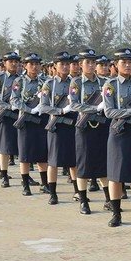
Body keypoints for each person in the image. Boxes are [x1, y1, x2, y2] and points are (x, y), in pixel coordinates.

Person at [104, 48, 131, 227]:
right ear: (116, 65)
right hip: (119, 133)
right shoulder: (111, 85)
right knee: (116, 175)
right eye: (124, 62)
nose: (129, 65)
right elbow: (109, 111)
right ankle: (116, 213)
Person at [69, 48, 110, 215]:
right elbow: (74, 104)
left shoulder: (105, 82)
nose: (92, 65)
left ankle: (109, 199)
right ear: (81, 64)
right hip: (84, 128)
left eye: (94, 62)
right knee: (84, 164)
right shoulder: (76, 83)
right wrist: (94, 108)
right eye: (88, 62)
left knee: (103, 164)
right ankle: (83, 200)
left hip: (102, 127)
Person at [38, 52, 77, 205]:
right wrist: (60, 111)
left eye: (68, 64)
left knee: (73, 161)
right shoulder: (49, 84)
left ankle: (78, 191)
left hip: (72, 124)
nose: (66, 67)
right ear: (55, 66)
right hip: (56, 124)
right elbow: (43, 106)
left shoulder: (75, 83)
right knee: (53, 161)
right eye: (62, 64)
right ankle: (53, 193)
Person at [11, 53, 50, 196]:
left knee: (42, 153)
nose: (34, 66)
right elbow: (14, 100)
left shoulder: (45, 81)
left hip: (41, 120)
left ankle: (45, 184)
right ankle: (26, 185)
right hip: (26, 121)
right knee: (25, 154)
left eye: (37, 64)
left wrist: (42, 107)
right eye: (31, 64)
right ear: (25, 66)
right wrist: (29, 109)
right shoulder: (19, 82)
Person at [0, 52, 21, 188]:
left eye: (16, 61)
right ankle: (4, 175)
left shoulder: (23, 78)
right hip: (6, 115)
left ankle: (25, 175)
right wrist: (8, 106)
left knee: (22, 146)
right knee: (5, 147)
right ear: (5, 63)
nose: (14, 63)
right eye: (10, 61)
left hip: (21, 115)